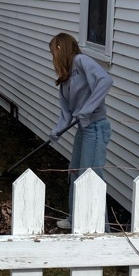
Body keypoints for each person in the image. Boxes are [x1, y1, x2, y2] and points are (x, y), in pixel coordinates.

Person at [48, 33, 113, 230]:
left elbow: (105, 81)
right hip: (83, 129)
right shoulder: (65, 79)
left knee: (90, 177)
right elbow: (67, 114)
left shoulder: (82, 61)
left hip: (96, 127)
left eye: (53, 52)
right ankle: (75, 217)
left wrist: (87, 109)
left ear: (61, 49)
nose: (53, 58)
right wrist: (57, 130)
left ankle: (101, 228)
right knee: (75, 172)